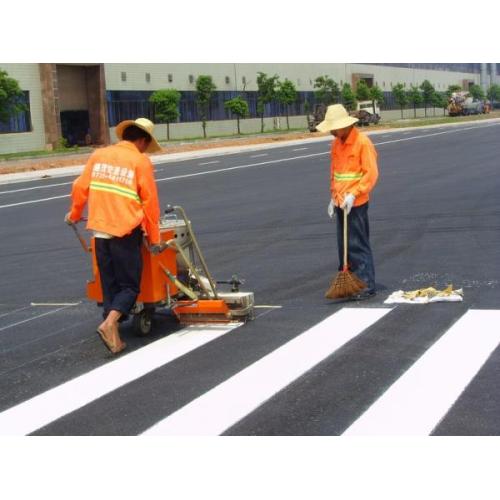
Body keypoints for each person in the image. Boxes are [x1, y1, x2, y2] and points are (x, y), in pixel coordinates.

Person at [65, 118, 163, 354]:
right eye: (145, 145)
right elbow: (150, 203)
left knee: (109, 285)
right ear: (142, 140)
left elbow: (80, 187)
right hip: (125, 232)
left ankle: (115, 339)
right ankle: (109, 323)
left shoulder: (99, 155)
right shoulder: (140, 161)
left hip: (99, 232)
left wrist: (75, 213)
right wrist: (154, 238)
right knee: (130, 287)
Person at [316, 104, 379, 300]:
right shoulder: (336, 144)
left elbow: (371, 174)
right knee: (343, 247)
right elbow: (336, 173)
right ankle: (351, 282)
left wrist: (354, 194)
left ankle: (365, 284)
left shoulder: (362, 143)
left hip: (356, 203)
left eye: (334, 129)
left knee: (357, 244)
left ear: (344, 126)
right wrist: (333, 196)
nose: (332, 133)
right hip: (340, 202)